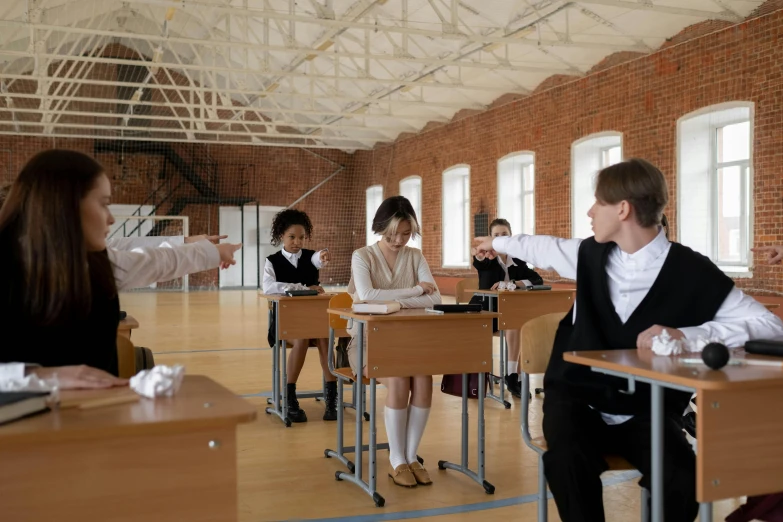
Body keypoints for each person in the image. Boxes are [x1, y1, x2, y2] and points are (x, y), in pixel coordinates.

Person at [473, 158, 783, 522]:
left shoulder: (691, 270)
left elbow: (771, 325)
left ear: (623, 209)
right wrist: (494, 241)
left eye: (598, 202)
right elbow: (544, 247)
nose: (590, 212)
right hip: (576, 401)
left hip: (648, 410)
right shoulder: (588, 254)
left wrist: (688, 335)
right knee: (568, 462)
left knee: (683, 478)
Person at [0, 150, 240, 375]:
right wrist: (40, 377)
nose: (111, 218)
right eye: (103, 203)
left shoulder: (91, 259)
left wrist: (188, 241)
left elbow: (133, 251)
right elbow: (152, 262)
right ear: (65, 206)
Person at [347, 195, 441, 488]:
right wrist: (414, 291)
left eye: (405, 233)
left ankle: (412, 457)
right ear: (381, 228)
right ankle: (396, 459)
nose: (399, 240)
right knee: (400, 380)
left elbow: (436, 297)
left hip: (407, 341)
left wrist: (398, 300)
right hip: (365, 343)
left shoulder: (415, 256)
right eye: (392, 234)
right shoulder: (362, 256)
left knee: (424, 379)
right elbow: (367, 296)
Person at [262, 208, 336, 423]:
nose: (297, 241)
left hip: (313, 319)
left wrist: (322, 255)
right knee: (302, 338)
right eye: (291, 237)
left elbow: (318, 258)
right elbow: (268, 288)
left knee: (325, 338)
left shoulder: (310, 257)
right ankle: (290, 397)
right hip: (286, 322)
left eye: (302, 237)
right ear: (281, 237)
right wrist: (302, 287)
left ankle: (332, 398)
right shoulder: (272, 261)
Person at [469, 218, 543, 397]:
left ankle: (512, 376)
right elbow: (480, 265)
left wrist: (514, 283)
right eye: (496, 235)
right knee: (515, 320)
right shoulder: (487, 258)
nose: (501, 238)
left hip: (509, 314)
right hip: (486, 313)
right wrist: (480, 257)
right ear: (490, 238)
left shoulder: (517, 259)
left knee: (516, 320)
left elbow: (537, 280)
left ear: (511, 237)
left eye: (505, 235)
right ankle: (513, 376)